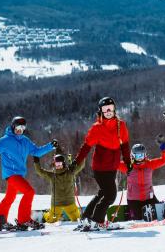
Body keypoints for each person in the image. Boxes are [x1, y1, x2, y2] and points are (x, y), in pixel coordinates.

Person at [0, 116, 57, 231]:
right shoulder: (6, 140)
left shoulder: (25, 140)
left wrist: (50, 146)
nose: (20, 129)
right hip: (11, 173)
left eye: (23, 127)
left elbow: (36, 152)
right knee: (29, 191)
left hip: (19, 174)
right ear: (13, 126)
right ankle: (23, 220)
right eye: (18, 126)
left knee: (10, 197)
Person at [71, 97, 131, 230]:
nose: (108, 111)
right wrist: (76, 161)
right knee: (110, 195)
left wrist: (128, 163)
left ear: (114, 109)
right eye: (105, 109)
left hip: (112, 166)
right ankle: (97, 220)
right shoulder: (97, 128)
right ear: (101, 111)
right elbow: (86, 147)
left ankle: (86, 218)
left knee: (103, 193)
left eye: (111, 108)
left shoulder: (121, 125)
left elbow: (125, 146)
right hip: (100, 167)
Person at [118, 135, 165, 220]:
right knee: (139, 218)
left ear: (145, 155)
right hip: (134, 200)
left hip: (149, 198)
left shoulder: (149, 164)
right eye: (138, 156)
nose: (140, 158)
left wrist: (163, 147)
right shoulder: (127, 166)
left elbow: (164, 159)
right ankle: (130, 213)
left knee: (160, 214)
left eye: (142, 156)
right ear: (133, 156)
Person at [33, 153, 85, 222]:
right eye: (56, 164)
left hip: (69, 202)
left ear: (63, 163)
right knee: (51, 220)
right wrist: (36, 161)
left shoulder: (70, 172)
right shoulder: (52, 175)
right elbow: (40, 171)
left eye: (59, 164)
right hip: (57, 203)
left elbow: (81, 165)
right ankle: (44, 215)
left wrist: (82, 155)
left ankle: (75, 214)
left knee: (77, 219)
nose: (58, 166)